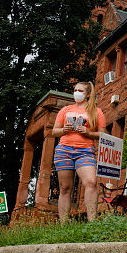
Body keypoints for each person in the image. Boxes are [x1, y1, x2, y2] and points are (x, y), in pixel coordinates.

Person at [52, 81, 106, 223]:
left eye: (80, 91)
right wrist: (64, 130)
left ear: (88, 94)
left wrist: (88, 133)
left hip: (85, 151)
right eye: (75, 90)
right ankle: (64, 225)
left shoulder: (96, 112)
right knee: (64, 188)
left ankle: (92, 222)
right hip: (64, 150)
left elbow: (103, 135)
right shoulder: (65, 110)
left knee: (91, 182)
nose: (76, 93)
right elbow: (54, 131)